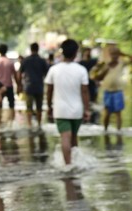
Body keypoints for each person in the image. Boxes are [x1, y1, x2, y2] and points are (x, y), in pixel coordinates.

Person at [45, 39, 90, 169]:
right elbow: (85, 92)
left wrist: (49, 106)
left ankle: (68, 165)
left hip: (60, 109)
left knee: (65, 136)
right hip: (77, 109)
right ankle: (75, 162)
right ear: (76, 53)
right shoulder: (81, 70)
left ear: (62, 52)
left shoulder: (54, 69)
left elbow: (49, 91)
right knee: (74, 137)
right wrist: (87, 109)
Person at [90, 45, 132, 132]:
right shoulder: (106, 64)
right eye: (112, 54)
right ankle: (105, 130)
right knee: (107, 112)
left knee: (118, 112)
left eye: (116, 54)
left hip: (118, 91)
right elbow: (96, 76)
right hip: (108, 91)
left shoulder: (121, 63)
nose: (114, 56)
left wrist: (122, 54)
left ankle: (118, 131)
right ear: (109, 55)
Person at [17, 42, 49, 129]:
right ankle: (39, 124)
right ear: (38, 49)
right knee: (39, 107)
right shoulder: (42, 60)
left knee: (29, 107)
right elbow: (47, 74)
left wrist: (19, 85)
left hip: (28, 86)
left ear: (31, 49)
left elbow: (19, 73)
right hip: (39, 86)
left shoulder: (25, 60)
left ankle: (29, 125)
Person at [0, 43, 21, 127]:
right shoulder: (10, 62)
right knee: (11, 104)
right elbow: (15, 75)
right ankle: (11, 123)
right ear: (6, 50)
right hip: (9, 86)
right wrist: (18, 85)